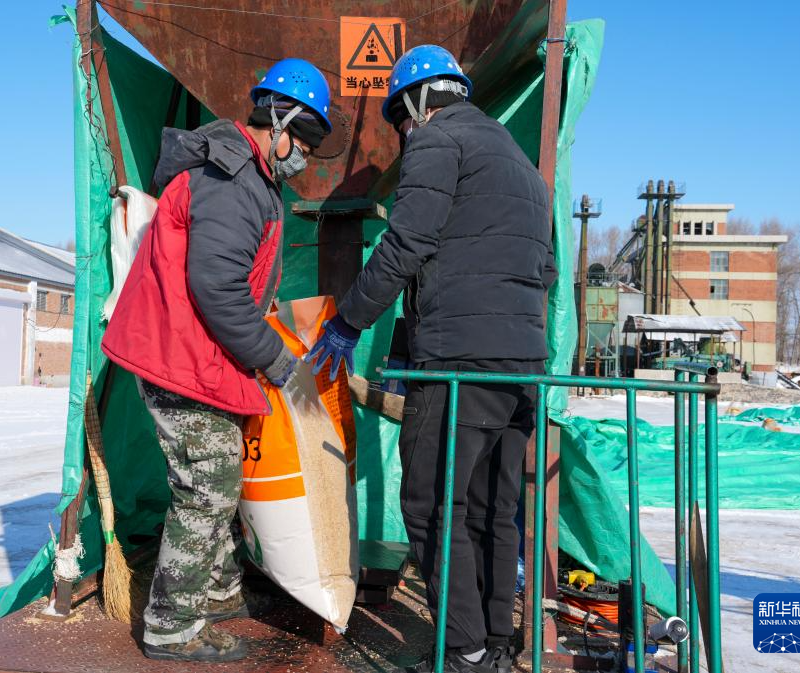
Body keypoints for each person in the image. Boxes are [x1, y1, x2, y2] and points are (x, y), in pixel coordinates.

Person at [306, 45, 557, 673]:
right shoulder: (521, 165)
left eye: (400, 118)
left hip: (458, 367)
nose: (402, 131)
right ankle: (494, 643)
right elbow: (543, 271)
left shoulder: (438, 141)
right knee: (493, 509)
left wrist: (347, 322)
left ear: (418, 104)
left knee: (431, 506)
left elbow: (408, 243)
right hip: (523, 369)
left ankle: (463, 651)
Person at [101, 58, 332, 663]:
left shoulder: (245, 176)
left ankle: (220, 589)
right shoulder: (232, 181)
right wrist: (276, 360)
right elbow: (218, 290)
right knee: (208, 485)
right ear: (278, 123)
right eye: (304, 142)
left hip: (192, 351)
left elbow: (229, 280)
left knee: (219, 477)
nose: (304, 158)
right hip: (181, 354)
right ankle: (172, 626)